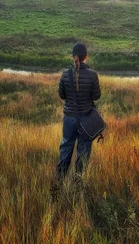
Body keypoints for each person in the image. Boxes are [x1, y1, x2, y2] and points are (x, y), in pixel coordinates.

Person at [56, 43, 101, 179]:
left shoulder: (65, 74)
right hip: (86, 120)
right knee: (84, 150)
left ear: (73, 56)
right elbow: (96, 96)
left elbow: (62, 95)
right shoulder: (93, 75)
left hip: (69, 119)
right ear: (86, 56)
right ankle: (78, 181)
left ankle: (60, 179)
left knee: (66, 147)